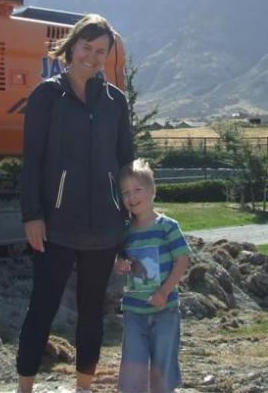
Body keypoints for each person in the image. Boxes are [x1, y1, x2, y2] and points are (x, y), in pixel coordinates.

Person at [16, 13, 134, 393]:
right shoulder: (46, 95)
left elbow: (126, 163)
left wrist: (130, 222)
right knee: (42, 310)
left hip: (104, 228)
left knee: (92, 313)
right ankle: (24, 388)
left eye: (102, 51)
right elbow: (32, 159)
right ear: (72, 46)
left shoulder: (116, 102)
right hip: (55, 226)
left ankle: (83, 387)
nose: (93, 57)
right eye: (88, 47)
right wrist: (32, 215)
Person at [115, 159, 191, 393]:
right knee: (132, 369)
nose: (132, 197)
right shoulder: (125, 232)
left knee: (163, 368)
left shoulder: (167, 226)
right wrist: (120, 264)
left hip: (165, 311)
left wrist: (164, 291)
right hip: (133, 312)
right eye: (126, 192)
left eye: (138, 190)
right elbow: (120, 261)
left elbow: (183, 260)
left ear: (153, 191)